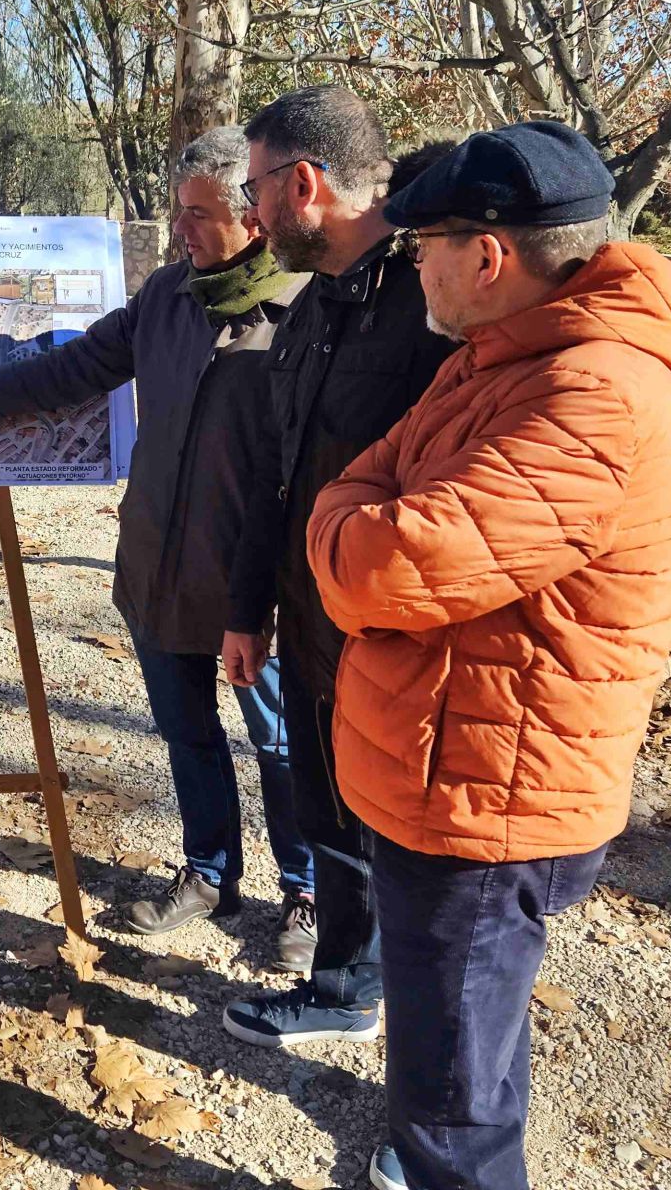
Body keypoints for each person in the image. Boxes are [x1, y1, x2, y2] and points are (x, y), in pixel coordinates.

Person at [307, 122, 671, 1190]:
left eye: (423, 244)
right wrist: (355, 505)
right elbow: (374, 477)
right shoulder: (503, 359)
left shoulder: (590, 394)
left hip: (486, 805)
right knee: (465, 1053)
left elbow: (380, 562)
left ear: (485, 255)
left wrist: (341, 517)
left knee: (452, 1111)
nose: (413, 267)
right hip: (460, 773)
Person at [0, 128, 322, 969]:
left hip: (252, 585)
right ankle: (210, 871)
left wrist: (266, 597)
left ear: (255, 219)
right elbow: (74, 368)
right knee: (186, 732)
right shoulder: (167, 297)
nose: (180, 230)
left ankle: (305, 892)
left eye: (198, 215)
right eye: (177, 212)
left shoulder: (305, 309)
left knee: (283, 743)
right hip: (158, 566)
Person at [218, 89, 458, 1050]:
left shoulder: (436, 306)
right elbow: (279, 480)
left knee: (405, 845)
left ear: (302, 182)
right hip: (311, 633)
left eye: (254, 189)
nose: (250, 214)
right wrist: (247, 611)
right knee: (328, 816)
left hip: (397, 644)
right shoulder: (314, 306)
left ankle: (427, 1056)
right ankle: (347, 986)